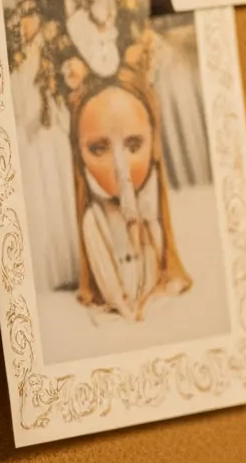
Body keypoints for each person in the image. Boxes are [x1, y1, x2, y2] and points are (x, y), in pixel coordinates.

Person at [70, 66, 191, 324]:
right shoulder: (95, 222)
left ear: (153, 146)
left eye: (133, 146)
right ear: (79, 156)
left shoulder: (150, 215)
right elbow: (107, 276)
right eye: (99, 149)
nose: (119, 166)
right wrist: (124, 308)